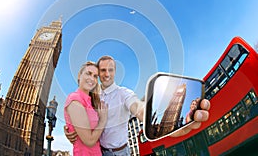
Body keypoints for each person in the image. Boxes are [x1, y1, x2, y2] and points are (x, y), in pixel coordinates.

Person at [65, 55, 211, 155]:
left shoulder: (123, 93)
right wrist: (70, 131)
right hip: (100, 151)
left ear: (115, 72)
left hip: (120, 152)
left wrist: (149, 118)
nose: (107, 74)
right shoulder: (93, 97)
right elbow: (85, 122)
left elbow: (138, 107)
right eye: (102, 71)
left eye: (110, 70)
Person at [64, 61, 108, 156]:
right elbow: (89, 140)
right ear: (79, 76)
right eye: (88, 73)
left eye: (95, 76)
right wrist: (103, 120)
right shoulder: (74, 99)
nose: (92, 78)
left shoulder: (91, 102)